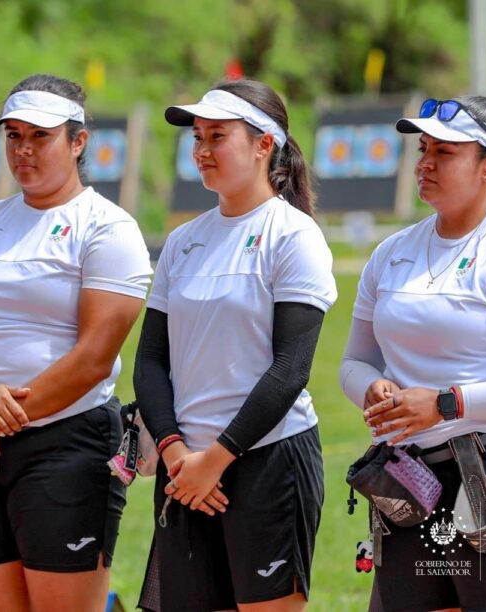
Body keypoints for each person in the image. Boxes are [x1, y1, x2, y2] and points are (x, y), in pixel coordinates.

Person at [0, 74, 153, 612]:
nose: (23, 150)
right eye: (13, 136)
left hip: (67, 444)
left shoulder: (108, 228)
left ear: (78, 142)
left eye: (40, 137)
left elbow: (93, 360)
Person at [339, 94, 486, 611]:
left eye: (444, 152)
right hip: (409, 477)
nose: (424, 162)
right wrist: (373, 388)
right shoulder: (391, 252)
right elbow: (354, 363)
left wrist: (445, 404)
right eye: (423, 148)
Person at [133, 79, 337, 611]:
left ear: (264, 144)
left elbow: (290, 369)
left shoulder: (293, 235)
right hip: (185, 470)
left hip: (266, 459)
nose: (201, 150)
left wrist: (216, 459)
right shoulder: (183, 241)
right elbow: (151, 362)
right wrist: (176, 451)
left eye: (216, 136)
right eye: (197, 137)